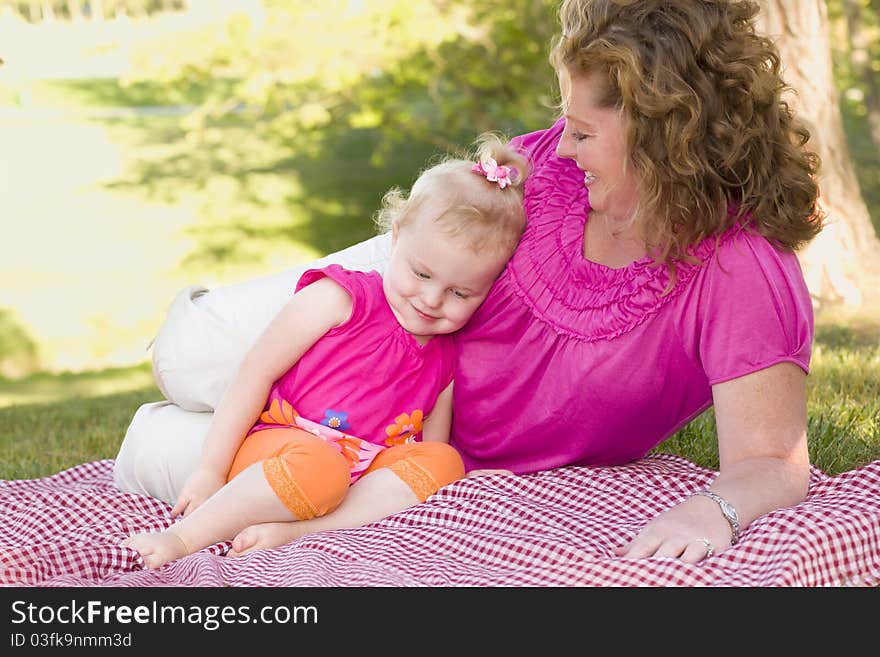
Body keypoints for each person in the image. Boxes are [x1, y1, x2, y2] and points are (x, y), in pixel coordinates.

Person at [115, 0, 822, 565]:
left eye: (581, 131)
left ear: (661, 135)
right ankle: (223, 394)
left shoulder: (739, 269)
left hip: (403, 442)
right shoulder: (551, 173)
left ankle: (201, 436)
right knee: (187, 355)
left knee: (155, 450)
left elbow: (772, 461)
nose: (560, 148)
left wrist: (714, 508)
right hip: (400, 296)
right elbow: (453, 225)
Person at [119, 134, 529, 569]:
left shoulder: (444, 357)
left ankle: (303, 532)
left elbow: (429, 448)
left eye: (459, 292)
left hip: (360, 481)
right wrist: (210, 471)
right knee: (320, 468)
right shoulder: (340, 299)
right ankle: (183, 538)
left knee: (444, 461)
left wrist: (436, 477)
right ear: (395, 238)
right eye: (421, 273)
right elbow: (254, 373)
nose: (431, 299)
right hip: (284, 452)